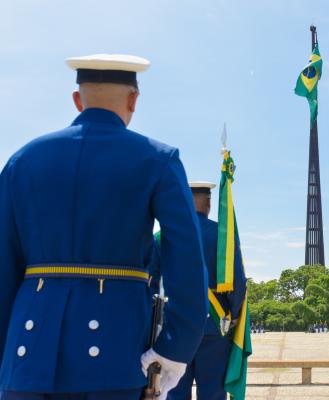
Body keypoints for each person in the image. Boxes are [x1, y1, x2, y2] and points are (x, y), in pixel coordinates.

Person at [0, 54, 208, 400]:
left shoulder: (22, 161)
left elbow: (4, 266)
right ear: (133, 100)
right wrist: (173, 350)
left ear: (77, 100)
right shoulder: (158, 159)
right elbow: (185, 262)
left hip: (26, 356)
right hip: (116, 353)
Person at [168, 182, 247, 400]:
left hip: (175, 328)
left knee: (174, 393)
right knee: (213, 393)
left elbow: (152, 282)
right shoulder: (223, 237)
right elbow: (238, 282)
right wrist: (233, 315)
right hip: (214, 325)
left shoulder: (165, 235)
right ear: (209, 203)